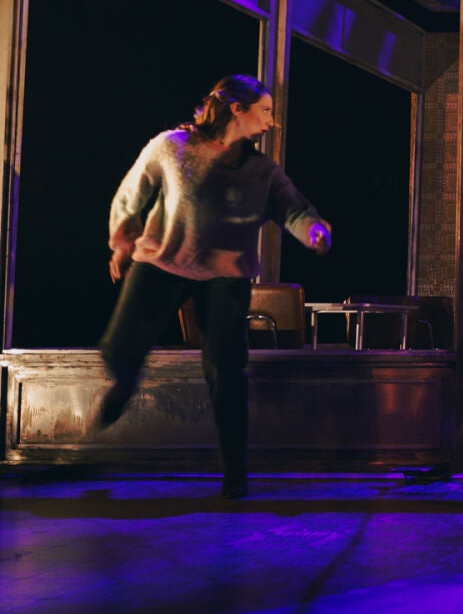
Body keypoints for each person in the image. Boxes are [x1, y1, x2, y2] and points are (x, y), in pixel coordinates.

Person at [99, 75, 333, 498]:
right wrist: (123, 241)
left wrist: (313, 230)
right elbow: (132, 194)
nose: (272, 121)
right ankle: (124, 380)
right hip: (164, 260)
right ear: (236, 109)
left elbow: (293, 209)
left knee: (227, 370)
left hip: (226, 275)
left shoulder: (261, 171)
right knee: (120, 345)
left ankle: (235, 471)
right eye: (265, 111)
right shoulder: (172, 147)